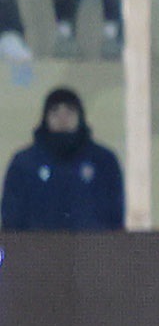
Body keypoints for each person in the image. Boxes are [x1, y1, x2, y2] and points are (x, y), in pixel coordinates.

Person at [2, 85, 120, 229]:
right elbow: (11, 215)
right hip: (37, 242)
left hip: (91, 242)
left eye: (69, 112)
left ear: (80, 116)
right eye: (55, 112)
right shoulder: (25, 163)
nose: (62, 119)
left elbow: (115, 214)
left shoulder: (103, 161)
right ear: (45, 117)